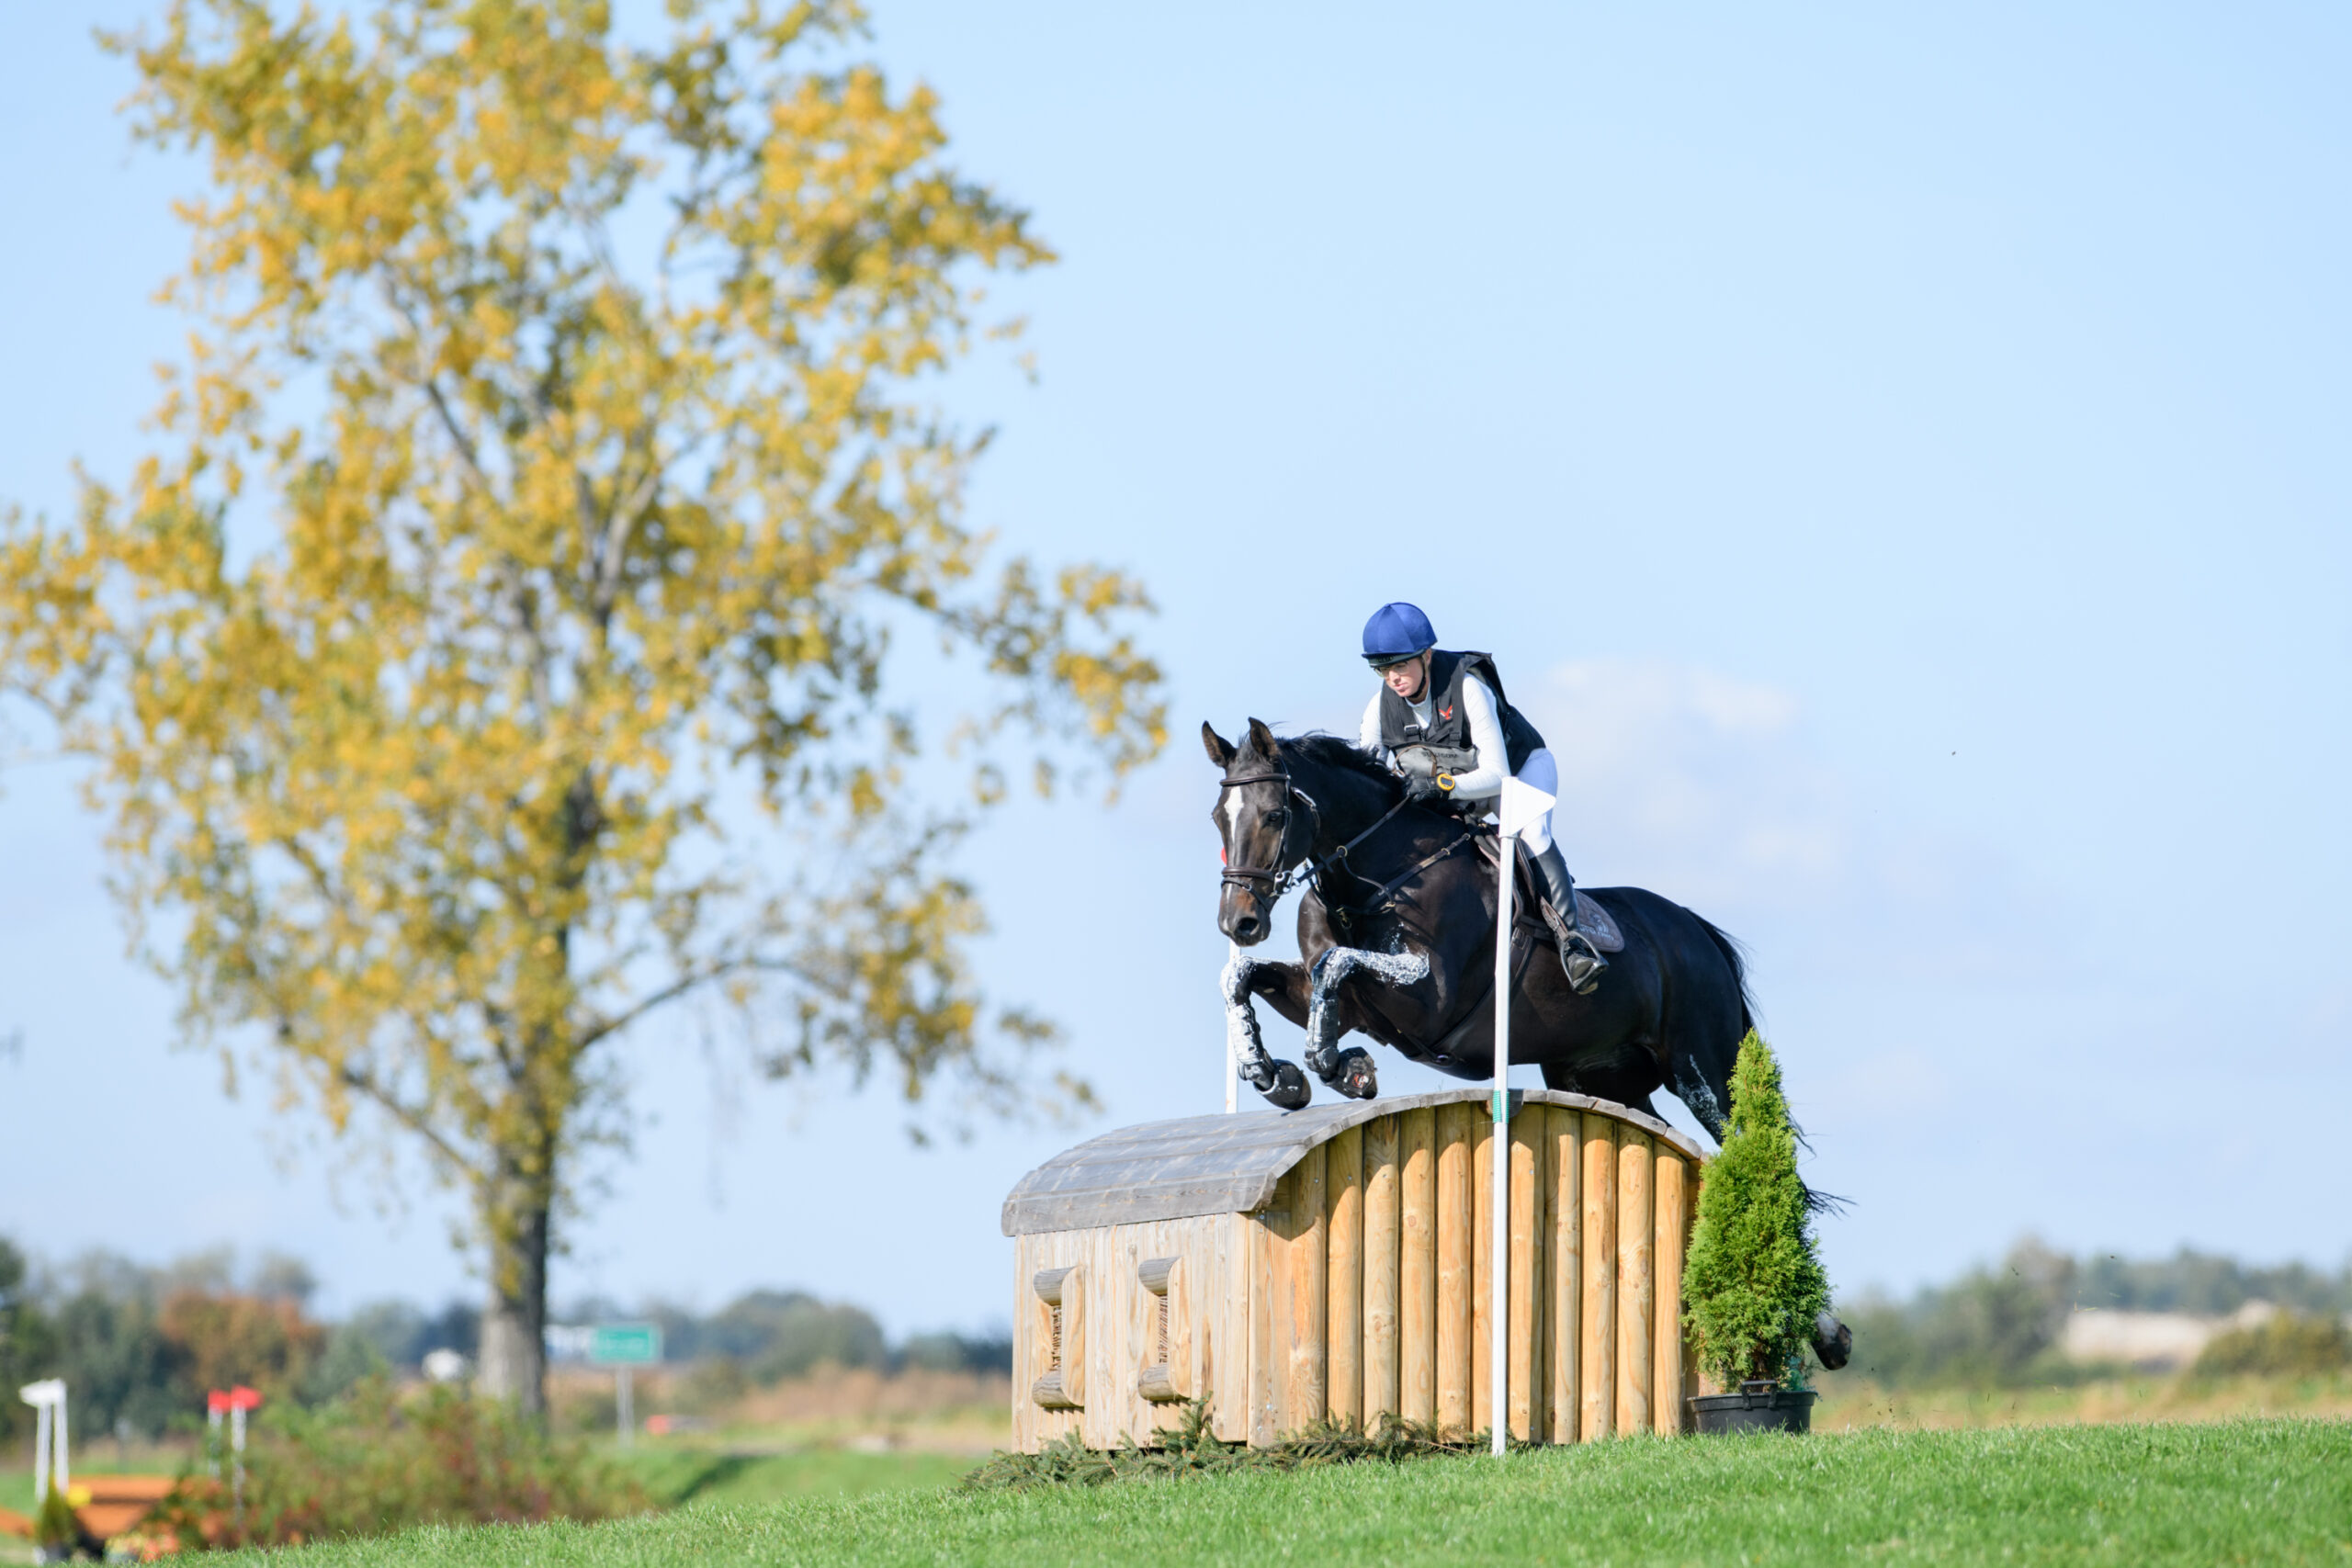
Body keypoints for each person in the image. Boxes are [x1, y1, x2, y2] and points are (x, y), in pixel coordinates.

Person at [1355, 601, 1607, 993]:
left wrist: (1440, 787)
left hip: (1519, 771)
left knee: (1528, 834)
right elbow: (1366, 775)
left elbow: (1496, 775)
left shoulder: (1468, 687)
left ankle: (1573, 943)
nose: (1393, 678)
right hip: (1460, 792)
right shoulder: (1379, 708)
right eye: (1383, 669)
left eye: (1401, 665)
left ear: (1426, 655)